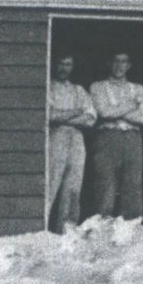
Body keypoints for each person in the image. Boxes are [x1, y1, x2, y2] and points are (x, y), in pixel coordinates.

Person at [83, 50, 143, 219]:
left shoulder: (140, 89)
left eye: (123, 62)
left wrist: (117, 110)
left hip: (132, 138)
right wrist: (131, 105)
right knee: (105, 185)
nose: (119, 66)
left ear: (129, 66)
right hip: (107, 137)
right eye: (115, 61)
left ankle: (129, 231)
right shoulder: (97, 87)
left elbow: (142, 118)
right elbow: (104, 112)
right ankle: (103, 231)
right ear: (109, 64)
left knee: (132, 185)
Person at [46, 52, 97, 229]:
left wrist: (64, 116)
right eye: (60, 63)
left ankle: (66, 229)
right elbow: (50, 115)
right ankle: (43, 225)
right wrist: (76, 112)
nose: (63, 68)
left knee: (73, 184)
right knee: (52, 180)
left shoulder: (79, 90)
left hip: (76, 136)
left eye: (67, 64)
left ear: (72, 67)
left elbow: (90, 118)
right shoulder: (48, 87)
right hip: (56, 135)